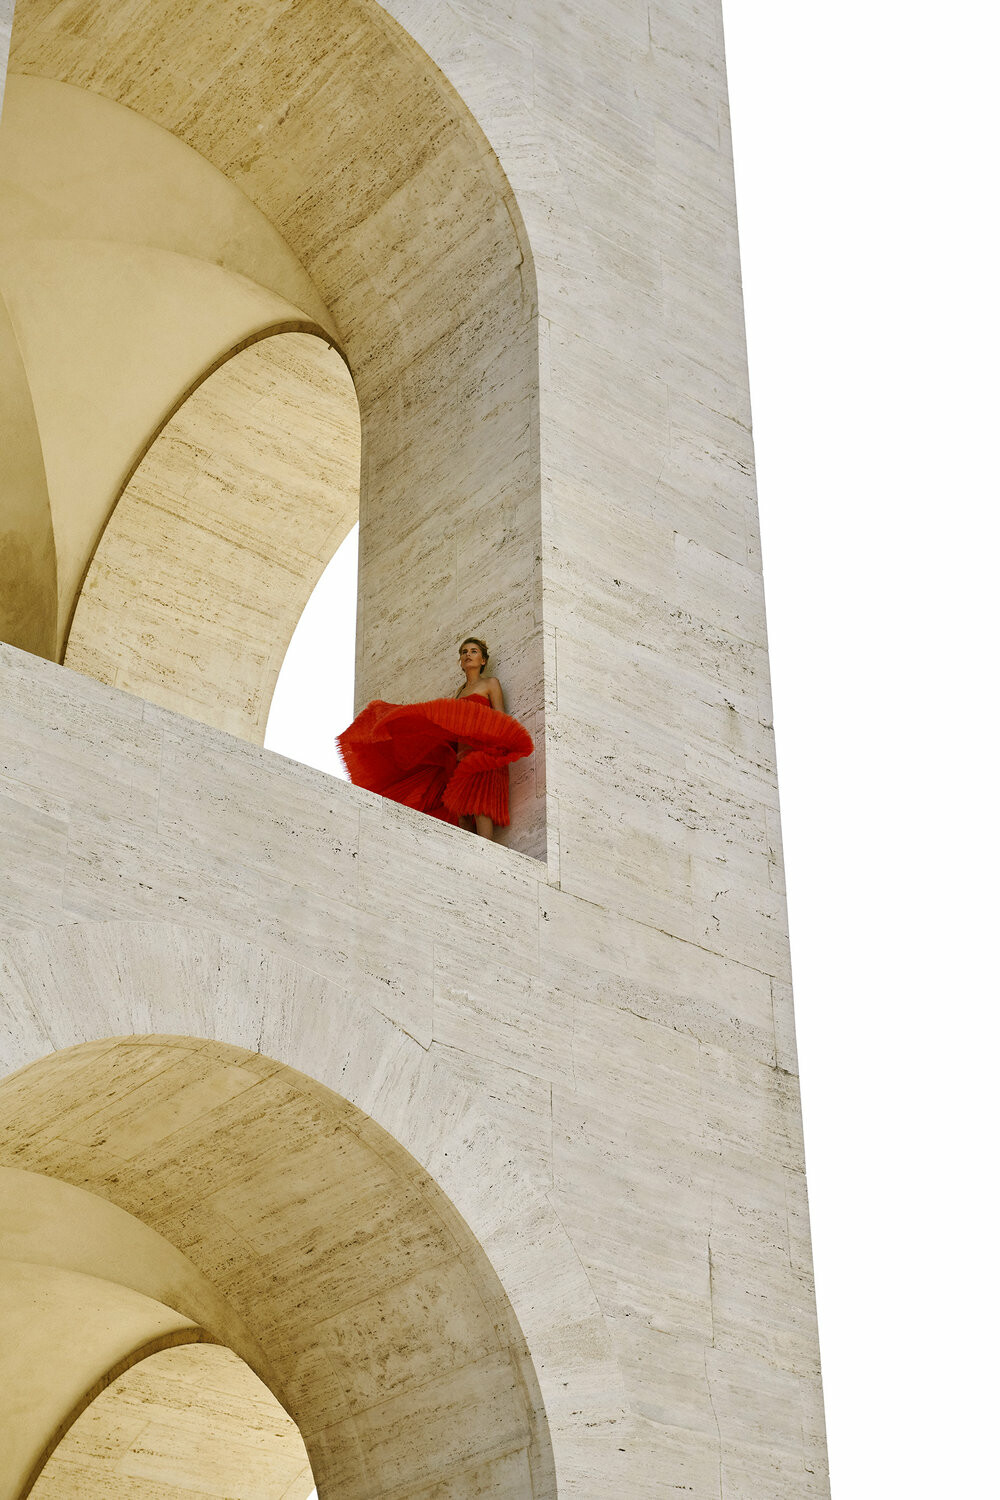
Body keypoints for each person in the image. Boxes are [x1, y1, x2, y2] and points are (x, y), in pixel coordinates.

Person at [337, 636, 532, 840]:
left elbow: (501, 718)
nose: (468, 655)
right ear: (460, 662)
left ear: (483, 660)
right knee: (462, 813)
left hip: (483, 754)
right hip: (461, 758)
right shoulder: (459, 693)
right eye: (464, 652)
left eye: (473, 651)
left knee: (480, 805)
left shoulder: (490, 683)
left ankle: (488, 849)